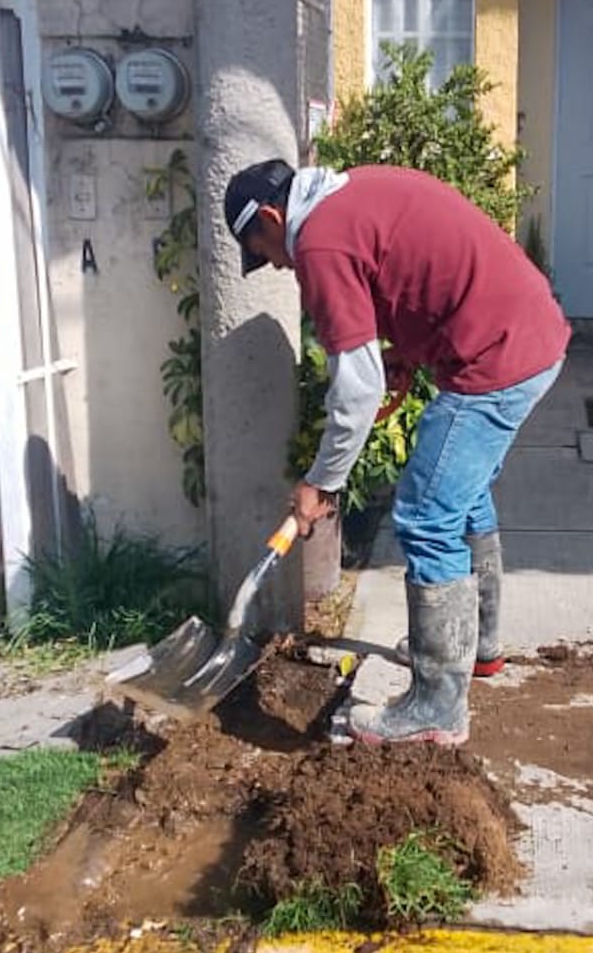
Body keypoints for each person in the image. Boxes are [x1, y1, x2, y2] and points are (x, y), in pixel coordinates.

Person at [223, 158, 570, 746]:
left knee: (426, 515)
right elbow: (413, 271)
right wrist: (406, 355)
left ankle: (437, 707)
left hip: (497, 357)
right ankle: (474, 649)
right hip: (526, 333)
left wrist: (322, 483)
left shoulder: (319, 246)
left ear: (274, 217)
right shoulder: (353, 193)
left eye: (266, 251)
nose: (279, 265)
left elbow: (356, 393)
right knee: (462, 495)